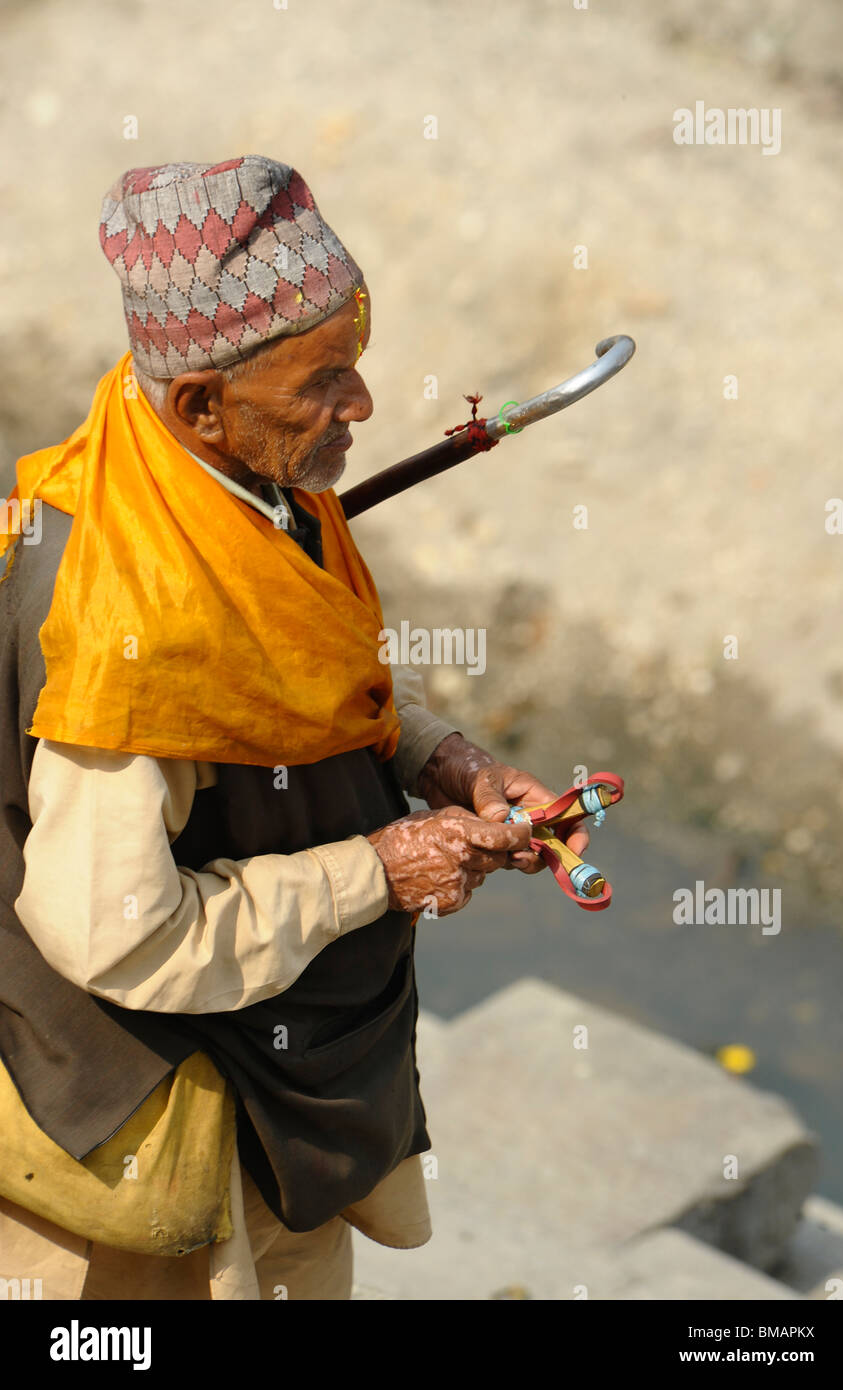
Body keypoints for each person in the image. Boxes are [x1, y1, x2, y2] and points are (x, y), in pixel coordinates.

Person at [0, 156, 589, 1300]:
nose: (361, 408)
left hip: (280, 1066)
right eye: (326, 383)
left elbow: (305, 671)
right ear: (201, 403)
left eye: (353, 370)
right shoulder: (134, 625)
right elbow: (117, 938)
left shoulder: (235, 468)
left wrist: (439, 759)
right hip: (152, 1105)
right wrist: (376, 869)